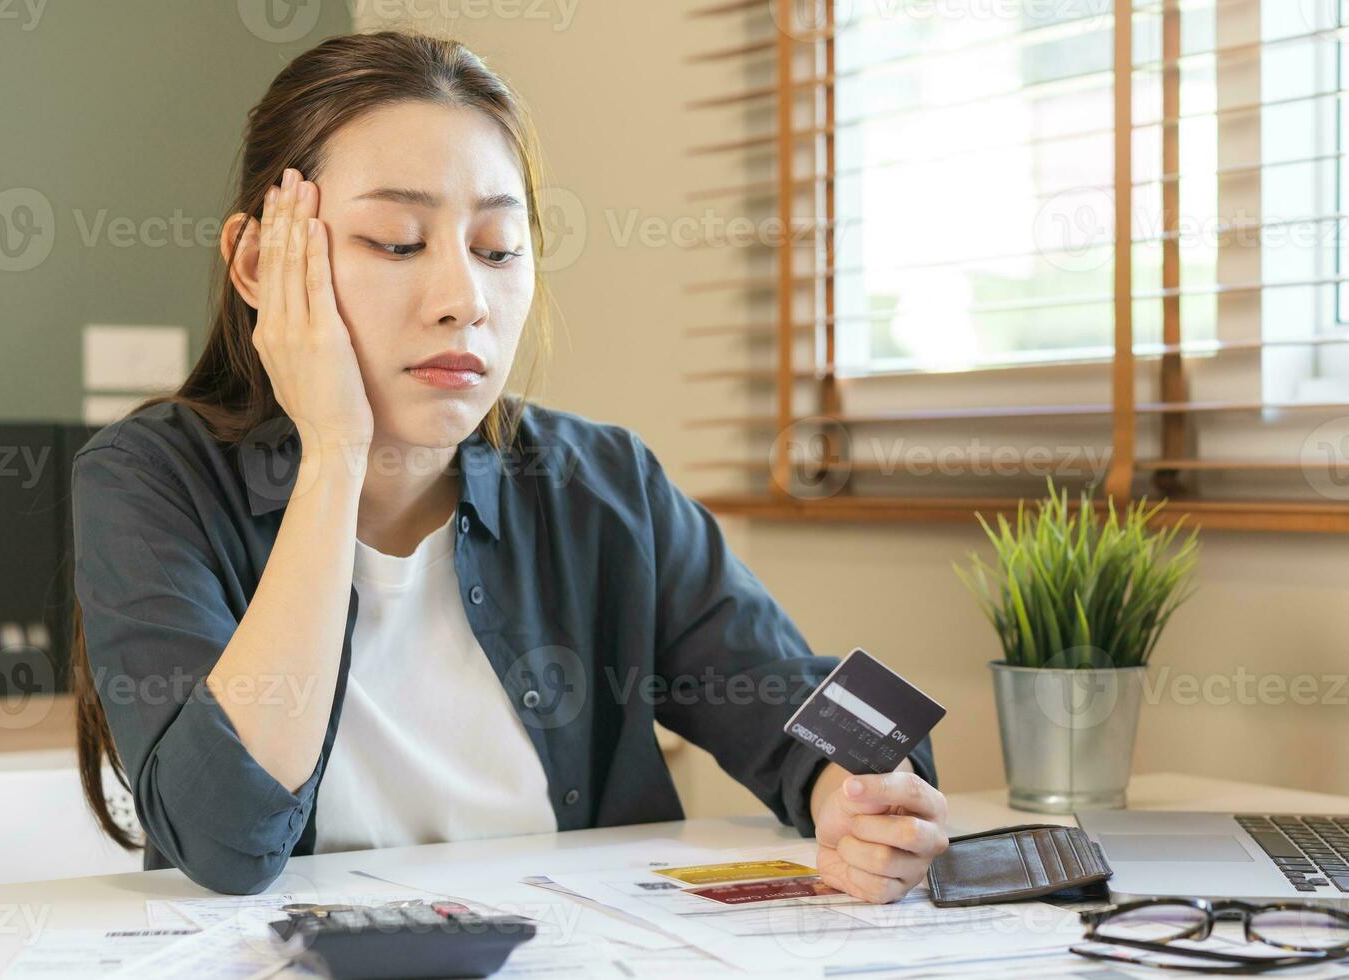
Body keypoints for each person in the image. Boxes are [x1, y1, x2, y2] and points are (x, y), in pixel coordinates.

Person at [69, 29, 947, 897]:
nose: (465, 301)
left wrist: (858, 796)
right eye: (397, 241)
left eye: (497, 249)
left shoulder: (602, 481)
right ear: (262, 263)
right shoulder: (147, 479)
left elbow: (805, 704)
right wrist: (335, 452)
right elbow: (224, 841)